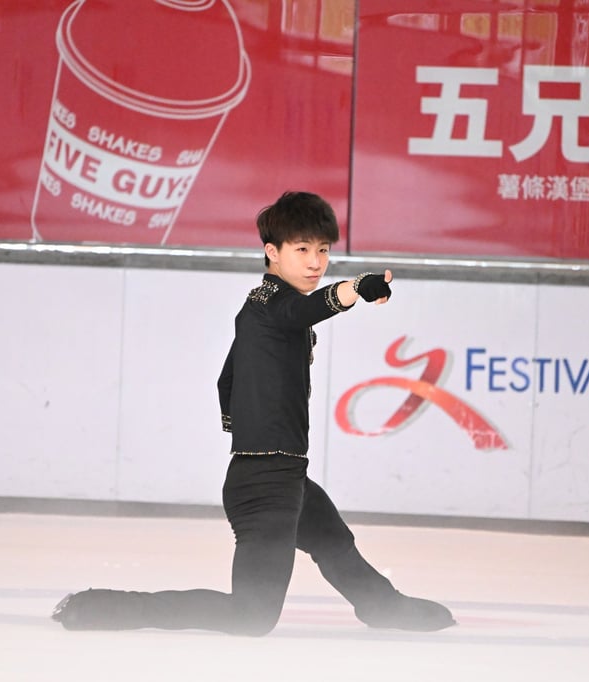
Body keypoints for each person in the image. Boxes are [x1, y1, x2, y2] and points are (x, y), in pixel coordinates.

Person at [51, 191, 455, 636]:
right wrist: (355, 288)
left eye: (322, 250)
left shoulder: (262, 309)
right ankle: (99, 607)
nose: (315, 261)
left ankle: (383, 606)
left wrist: (247, 427)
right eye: (301, 249)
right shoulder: (270, 303)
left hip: (280, 473)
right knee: (251, 616)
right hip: (265, 486)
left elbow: (226, 379)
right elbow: (302, 309)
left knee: (332, 540)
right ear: (272, 252)